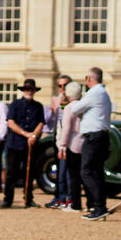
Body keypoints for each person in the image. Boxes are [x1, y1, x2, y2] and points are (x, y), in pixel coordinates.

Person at [67, 67, 112, 220]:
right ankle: (100, 206)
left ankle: (98, 206)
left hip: (93, 137)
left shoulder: (94, 93)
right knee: (97, 172)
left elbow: (75, 108)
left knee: (86, 171)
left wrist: (82, 112)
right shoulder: (103, 92)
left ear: (88, 79)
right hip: (101, 136)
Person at [3, 79, 45, 208]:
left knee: (30, 172)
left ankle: (28, 198)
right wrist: (26, 134)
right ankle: (8, 199)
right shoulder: (15, 104)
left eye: (31, 90)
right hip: (15, 143)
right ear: (23, 91)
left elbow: (41, 123)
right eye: (27, 89)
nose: (29, 92)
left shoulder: (38, 106)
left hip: (31, 144)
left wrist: (34, 135)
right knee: (12, 173)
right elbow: (11, 122)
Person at [57, 81, 85, 212]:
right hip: (84, 141)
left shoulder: (69, 107)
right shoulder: (84, 106)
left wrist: (62, 145)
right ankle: (90, 203)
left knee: (73, 176)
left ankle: (75, 204)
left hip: (72, 143)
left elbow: (66, 128)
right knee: (84, 175)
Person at [46, 74, 73, 208]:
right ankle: (59, 197)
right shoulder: (56, 100)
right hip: (57, 139)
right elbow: (51, 121)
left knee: (66, 173)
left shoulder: (74, 101)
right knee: (59, 172)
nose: (62, 88)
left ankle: (67, 198)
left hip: (68, 142)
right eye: (60, 85)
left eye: (65, 85)